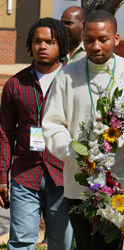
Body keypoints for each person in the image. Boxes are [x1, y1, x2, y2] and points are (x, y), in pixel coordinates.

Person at [42, 10, 124, 250]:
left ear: (116, 38)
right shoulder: (67, 75)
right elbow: (53, 125)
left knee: (109, 246)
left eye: (103, 39)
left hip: (120, 183)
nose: (95, 46)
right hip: (79, 182)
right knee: (85, 244)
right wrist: (77, 154)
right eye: (89, 39)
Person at [0, 18, 74, 250]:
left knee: (62, 243)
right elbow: (4, 133)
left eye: (49, 42)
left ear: (61, 45)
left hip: (64, 175)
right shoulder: (15, 84)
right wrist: (2, 176)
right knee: (20, 242)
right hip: (25, 173)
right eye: (37, 41)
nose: (42, 46)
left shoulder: (74, 82)